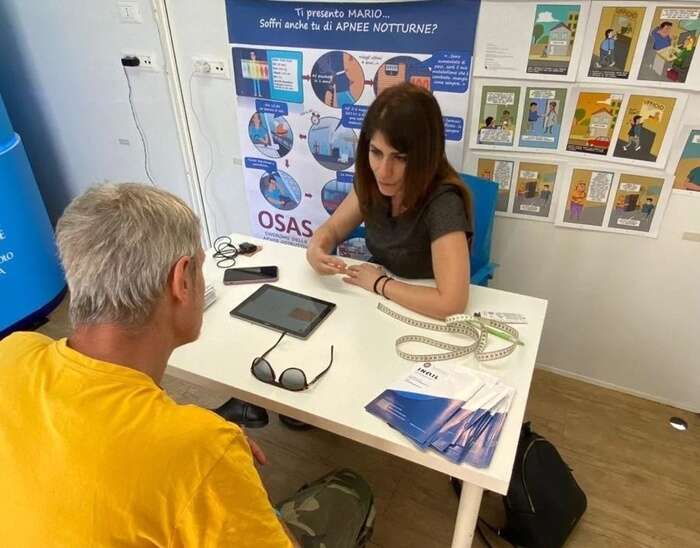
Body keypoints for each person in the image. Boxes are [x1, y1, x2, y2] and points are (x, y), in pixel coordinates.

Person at [0, 183, 373, 547]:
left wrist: (192, 437)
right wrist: (207, 453)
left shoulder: (12, 352)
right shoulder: (199, 452)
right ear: (182, 280)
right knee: (351, 490)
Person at [306, 83, 473, 320]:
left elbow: (451, 303)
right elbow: (333, 229)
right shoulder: (371, 180)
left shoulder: (444, 203)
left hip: (422, 308)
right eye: (376, 152)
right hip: (379, 303)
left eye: (400, 158)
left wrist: (380, 284)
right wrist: (315, 248)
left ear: (426, 156)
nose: (384, 172)